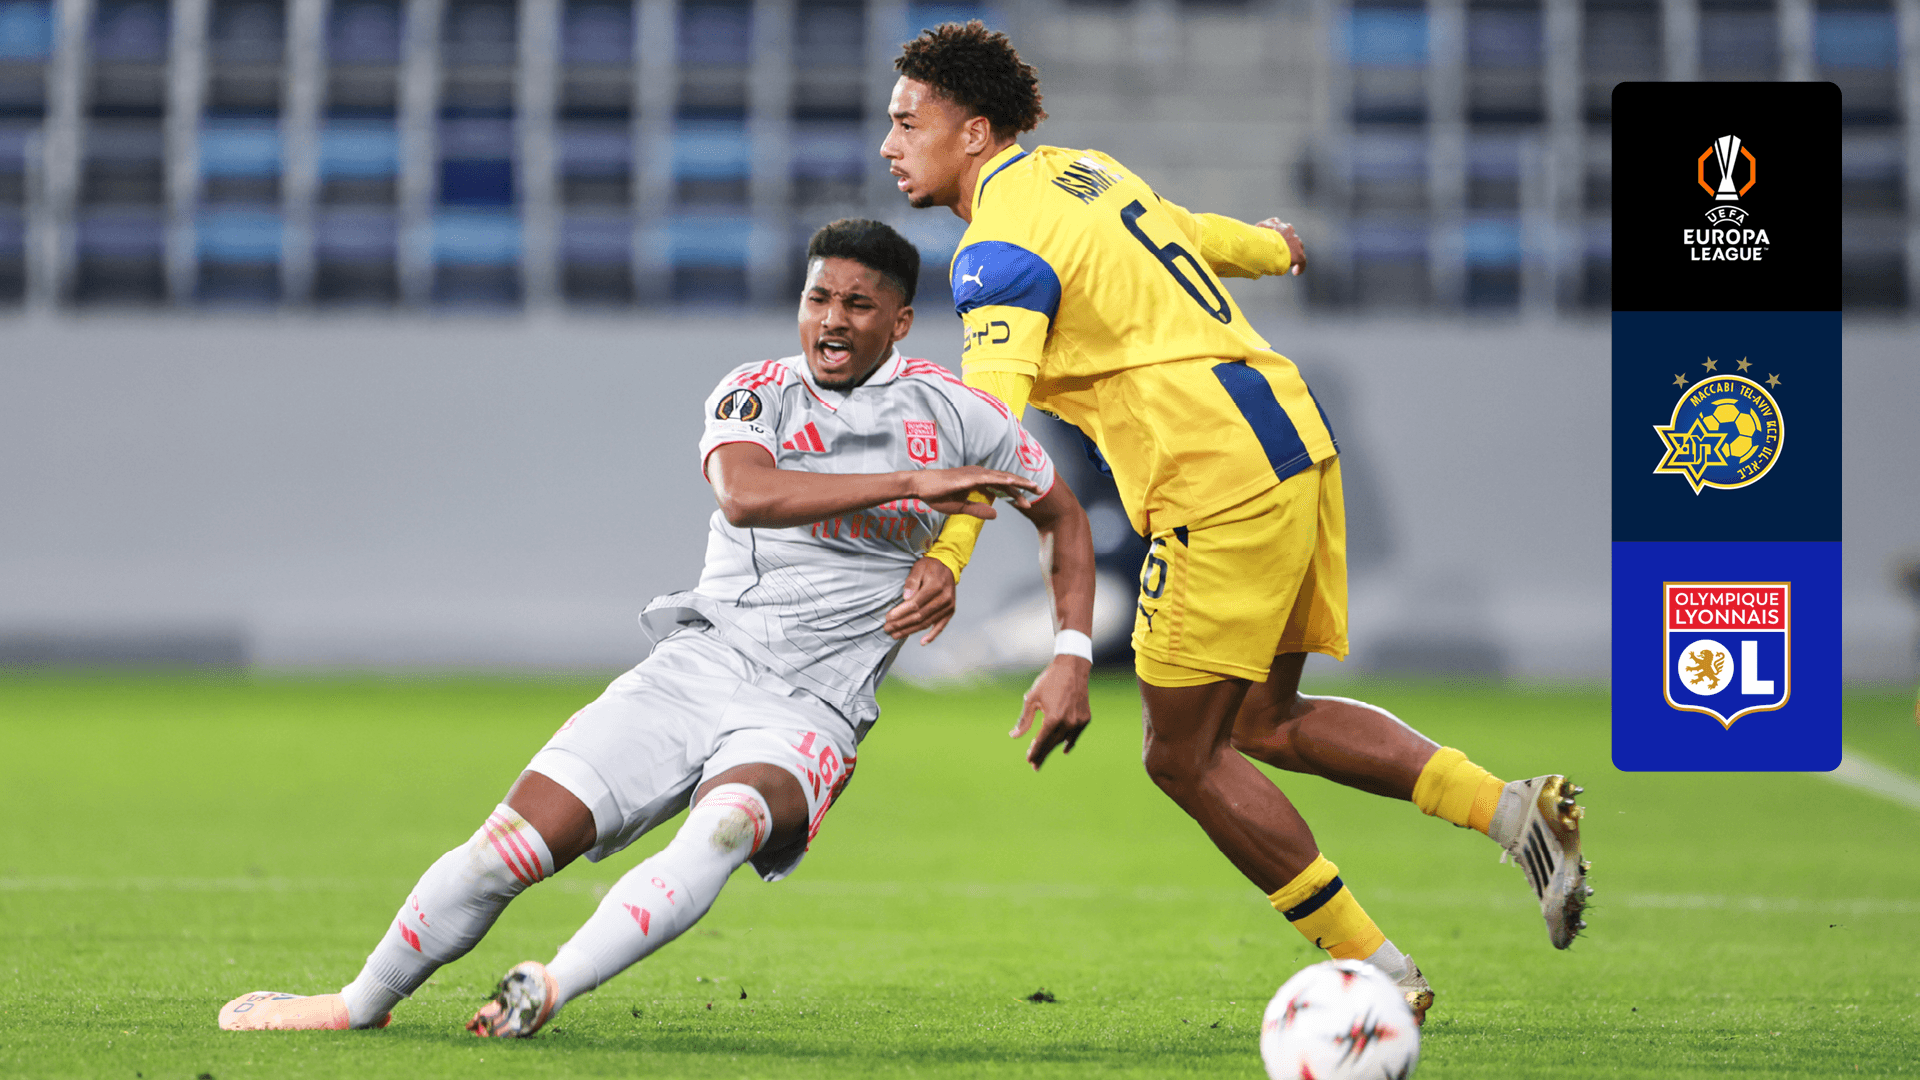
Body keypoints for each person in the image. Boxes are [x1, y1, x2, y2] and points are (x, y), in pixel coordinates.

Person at [217, 218, 1097, 1037]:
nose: (831, 320)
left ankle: (547, 986)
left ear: (900, 321)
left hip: (813, 706)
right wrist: (911, 486)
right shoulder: (757, 392)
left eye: (858, 304)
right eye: (817, 298)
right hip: (699, 668)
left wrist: (1069, 655)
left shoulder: (958, 415)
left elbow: (1064, 518)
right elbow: (745, 494)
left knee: (725, 828)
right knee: (504, 852)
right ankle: (356, 1004)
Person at [876, 22, 1590, 1022]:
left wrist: (949, 554)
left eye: (908, 123)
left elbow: (987, 431)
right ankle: (1515, 813)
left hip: (1212, 477)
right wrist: (1274, 248)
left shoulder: (995, 254)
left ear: (975, 132)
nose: (889, 144)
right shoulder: (1083, 172)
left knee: (1180, 754)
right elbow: (1188, 230)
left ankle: (1382, 977)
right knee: (1260, 720)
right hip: (1292, 439)